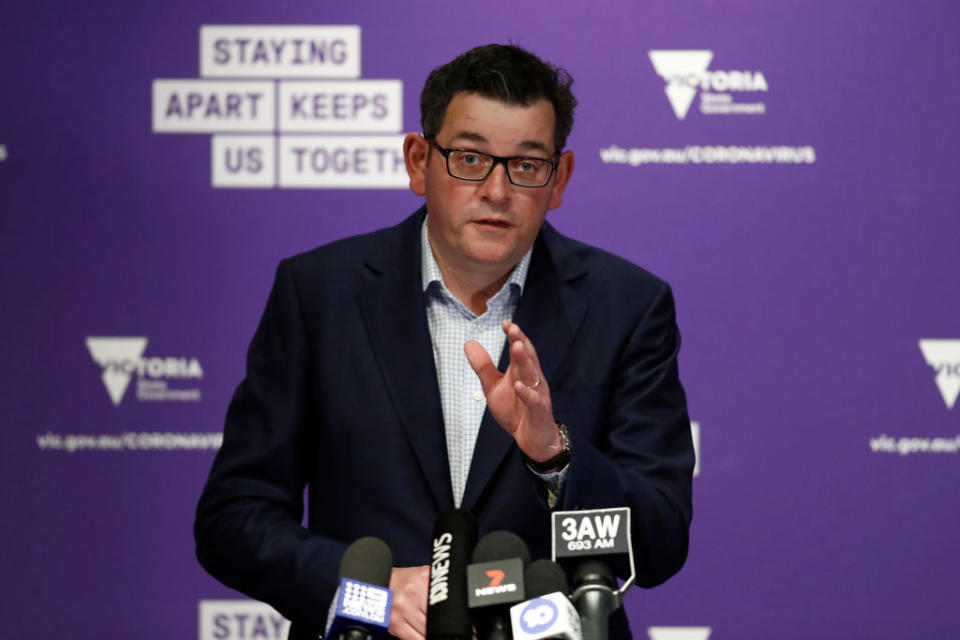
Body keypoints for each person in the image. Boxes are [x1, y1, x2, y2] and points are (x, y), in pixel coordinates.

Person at [195, 43, 694, 640]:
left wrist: (554, 456)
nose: (497, 190)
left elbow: (661, 543)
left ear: (558, 180)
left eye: (526, 165)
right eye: (469, 159)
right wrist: (370, 592)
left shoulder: (627, 306)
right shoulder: (320, 295)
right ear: (417, 160)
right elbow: (233, 520)